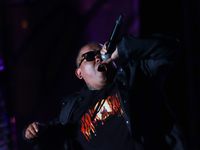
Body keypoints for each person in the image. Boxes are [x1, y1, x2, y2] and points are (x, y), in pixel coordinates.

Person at [23, 33, 187, 150]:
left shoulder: (136, 77)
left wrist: (122, 48)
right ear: (79, 73)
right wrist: (30, 133)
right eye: (89, 56)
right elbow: (45, 139)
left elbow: (170, 48)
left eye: (101, 53)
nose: (98, 58)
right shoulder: (71, 111)